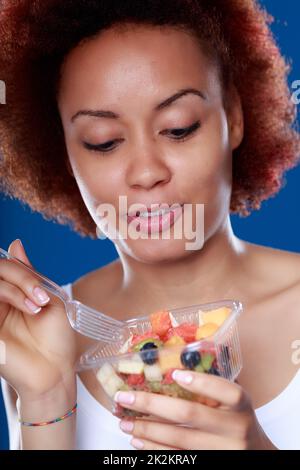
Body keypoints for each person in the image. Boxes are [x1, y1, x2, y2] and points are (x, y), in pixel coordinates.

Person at [0, 0, 300, 450]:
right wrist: (46, 398)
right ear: (63, 153)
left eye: (178, 129)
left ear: (234, 117)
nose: (145, 172)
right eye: (103, 143)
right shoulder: (39, 337)